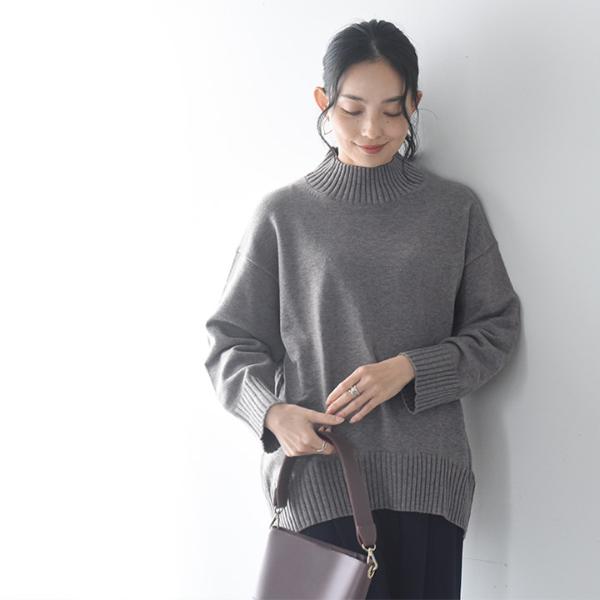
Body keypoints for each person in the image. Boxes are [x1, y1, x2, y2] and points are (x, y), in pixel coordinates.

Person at [203, 18, 521, 600]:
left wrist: (410, 369)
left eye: (392, 111)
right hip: (320, 481)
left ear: (414, 104)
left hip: (428, 484)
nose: (373, 129)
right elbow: (229, 340)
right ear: (323, 103)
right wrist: (272, 415)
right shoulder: (284, 215)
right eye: (352, 110)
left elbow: (496, 328)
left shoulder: (453, 210)